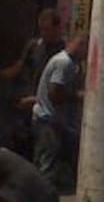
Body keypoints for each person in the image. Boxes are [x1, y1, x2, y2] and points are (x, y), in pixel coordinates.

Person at [0, 8, 66, 156]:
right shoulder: (34, 46)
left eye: (47, 30)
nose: (44, 34)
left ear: (57, 29)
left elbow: (59, 88)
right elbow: (19, 67)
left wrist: (37, 100)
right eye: (41, 30)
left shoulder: (62, 53)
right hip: (29, 102)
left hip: (49, 110)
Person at [32, 33, 88, 189]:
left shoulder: (67, 62)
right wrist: (77, 95)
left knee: (46, 161)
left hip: (48, 119)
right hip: (48, 120)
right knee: (47, 165)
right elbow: (54, 92)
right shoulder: (64, 63)